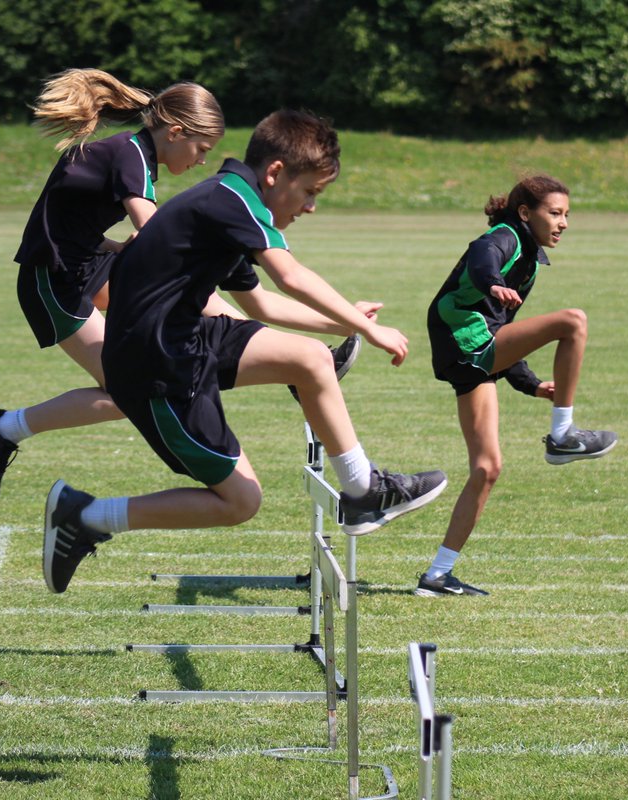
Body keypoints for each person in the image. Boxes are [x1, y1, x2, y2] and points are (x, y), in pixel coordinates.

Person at [41, 109, 447, 594]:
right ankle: (85, 516)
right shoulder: (231, 200)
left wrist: (346, 322)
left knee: (312, 358)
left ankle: (363, 492)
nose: (311, 207)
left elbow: (258, 302)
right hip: (157, 367)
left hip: (185, 337)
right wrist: (367, 329)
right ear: (276, 173)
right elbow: (290, 278)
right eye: (310, 193)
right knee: (241, 502)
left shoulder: (229, 200)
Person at [0, 69, 359, 500]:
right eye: (201, 148)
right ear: (175, 132)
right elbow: (153, 233)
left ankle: (295, 359)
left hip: (90, 262)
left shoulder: (136, 155)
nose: (202, 160)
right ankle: (2, 427)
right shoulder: (132, 157)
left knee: (181, 302)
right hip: (55, 279)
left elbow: (72, 216)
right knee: (125, 386)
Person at [416, 175, 617, 597]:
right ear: (526, 213)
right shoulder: (506, 237)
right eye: (555, 213)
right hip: (466, 346)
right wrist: (491, 280)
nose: (563, 223)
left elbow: (500, 325)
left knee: (487, 469)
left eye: (567, 215)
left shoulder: (530, 257)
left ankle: (437, 575)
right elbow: (482, 255)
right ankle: (562, 434)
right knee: (573, 321)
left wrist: (529, 384)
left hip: (473, 356)